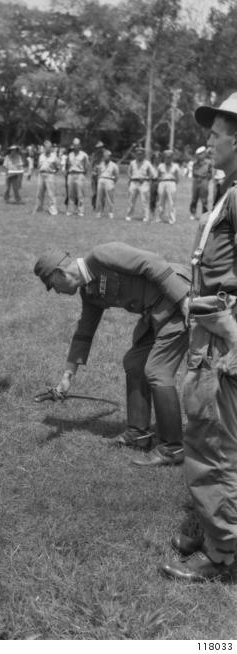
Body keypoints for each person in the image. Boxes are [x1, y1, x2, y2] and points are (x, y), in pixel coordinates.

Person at [161, 92, 237, 582]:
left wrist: (231, 329)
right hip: (215, 326)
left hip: (221, 333)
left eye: (215, 134)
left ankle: (223, 552)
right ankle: (212, 529)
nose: (207, 142)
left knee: (212, 441)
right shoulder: (231, 190)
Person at [34, 243, 190, 466]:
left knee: (157, 370)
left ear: (60, 273)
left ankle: (172, 448)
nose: (55, 291)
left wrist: (184, 298)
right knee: (135, 363)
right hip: (155, 312)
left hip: (175, 298)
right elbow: (84, 332)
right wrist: (67, 376)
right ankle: (138, 433)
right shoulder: (89, 292)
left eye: (52, 285)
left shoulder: (101, 256)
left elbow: (152, 262)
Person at [125, 146, 155, 222]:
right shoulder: (132, 163)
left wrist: (146, 178)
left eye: (141, 154)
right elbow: (129, 171)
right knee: (131, 200)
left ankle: (146, 216)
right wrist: (130, 178)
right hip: (134, 182)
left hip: (144, 183)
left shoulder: (147, 163)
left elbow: (153, 173)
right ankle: (129, 215)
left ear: (143, 154)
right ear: (135, 154)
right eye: (138, 154)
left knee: (144, 201)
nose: (139, 155)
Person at [33, 140, 60, 216]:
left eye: (49, 147)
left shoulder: (54, 156)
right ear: (44, 148)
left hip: (50, 175)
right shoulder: (41, 156)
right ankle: (38, 209)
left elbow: (58, 167)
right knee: (39, 193)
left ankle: (53, 211)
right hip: (41, 175)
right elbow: (38, 166)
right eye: (46, 147)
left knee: (51, 194)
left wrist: (53, 172)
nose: (47, 149)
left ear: (51, 148)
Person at [65, 137, 89, 217]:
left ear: (80, 145)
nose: (75, 146)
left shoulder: (84, 155)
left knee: (80, 194)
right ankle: (70, 210)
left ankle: (80, 211)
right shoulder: (70, 154)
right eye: (74, 145)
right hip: (71, 174)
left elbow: (86, 167)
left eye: (77, 145)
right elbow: (68, 165)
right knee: (70, 194)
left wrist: (82, 175)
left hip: (80, 175)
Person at [156, 150, 180, 224]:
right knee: (160, 201)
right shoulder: (160, 166)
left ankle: (172, 219)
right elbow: (158, 176)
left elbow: (178, 178)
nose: (168, 159)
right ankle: (159, 218)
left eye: (169, 157)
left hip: (171, 182)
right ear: (164, 157)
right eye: (166, 157)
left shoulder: (175, 166)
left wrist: (173, 183)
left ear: (172, 158)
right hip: (162, 182)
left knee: (171, 202)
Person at [189, 146, 212, 220]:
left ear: (204, 154)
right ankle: (193, 213)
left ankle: (204, 215)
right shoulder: (195, 163)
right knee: (194, 198)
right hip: (196, 180)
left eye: (200, 154)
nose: (199, 156)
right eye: (198, 154)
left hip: (204, 181)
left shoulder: (209, 162)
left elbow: (210, 173)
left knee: (204, 199)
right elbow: (193, 172)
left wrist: (206, 180)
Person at [95, 150, 119, 219]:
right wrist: (99, 179)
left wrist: (113, 182)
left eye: (107, 156)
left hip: (109, 180)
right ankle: (98, 212)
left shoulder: (114, 165)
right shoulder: (101, 164)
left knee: (110, 198)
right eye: (105, 156)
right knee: (99, 198)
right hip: (101, 180)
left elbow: (117, 175)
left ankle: (110, 213)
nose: (106, 157)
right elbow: (99, 173)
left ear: (110, 157)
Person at [90, 141, 104, 211]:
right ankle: (94, 206)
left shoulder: (105, 155)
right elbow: (92, 165)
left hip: (102, 176)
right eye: (97, 148)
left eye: (100, 148)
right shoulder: (94, 155)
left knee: (102, 192)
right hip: (95, 176)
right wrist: (93, 172)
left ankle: (101, 206)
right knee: (94, 193)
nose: (98, 149)